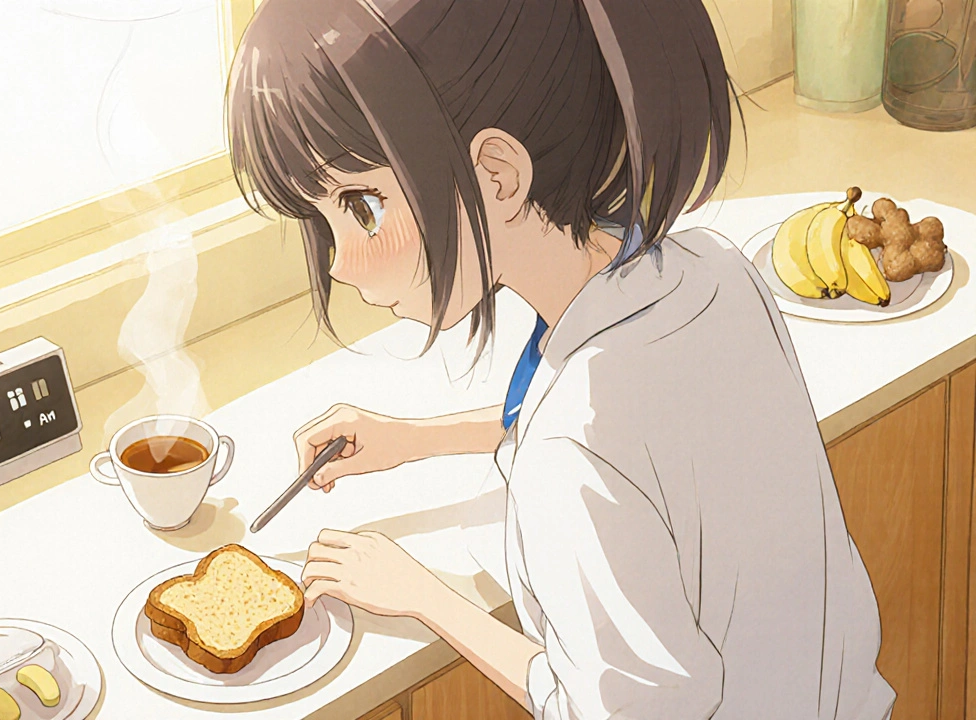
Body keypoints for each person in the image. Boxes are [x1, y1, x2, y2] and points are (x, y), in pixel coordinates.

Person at [224, 0, 896, 717]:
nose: (338, 264)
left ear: (498, 174)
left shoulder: (571, 454)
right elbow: (627, 426)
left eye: (361, 207)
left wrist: (423, 596)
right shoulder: (710, 271)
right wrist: (412, 441)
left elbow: (617, 707)